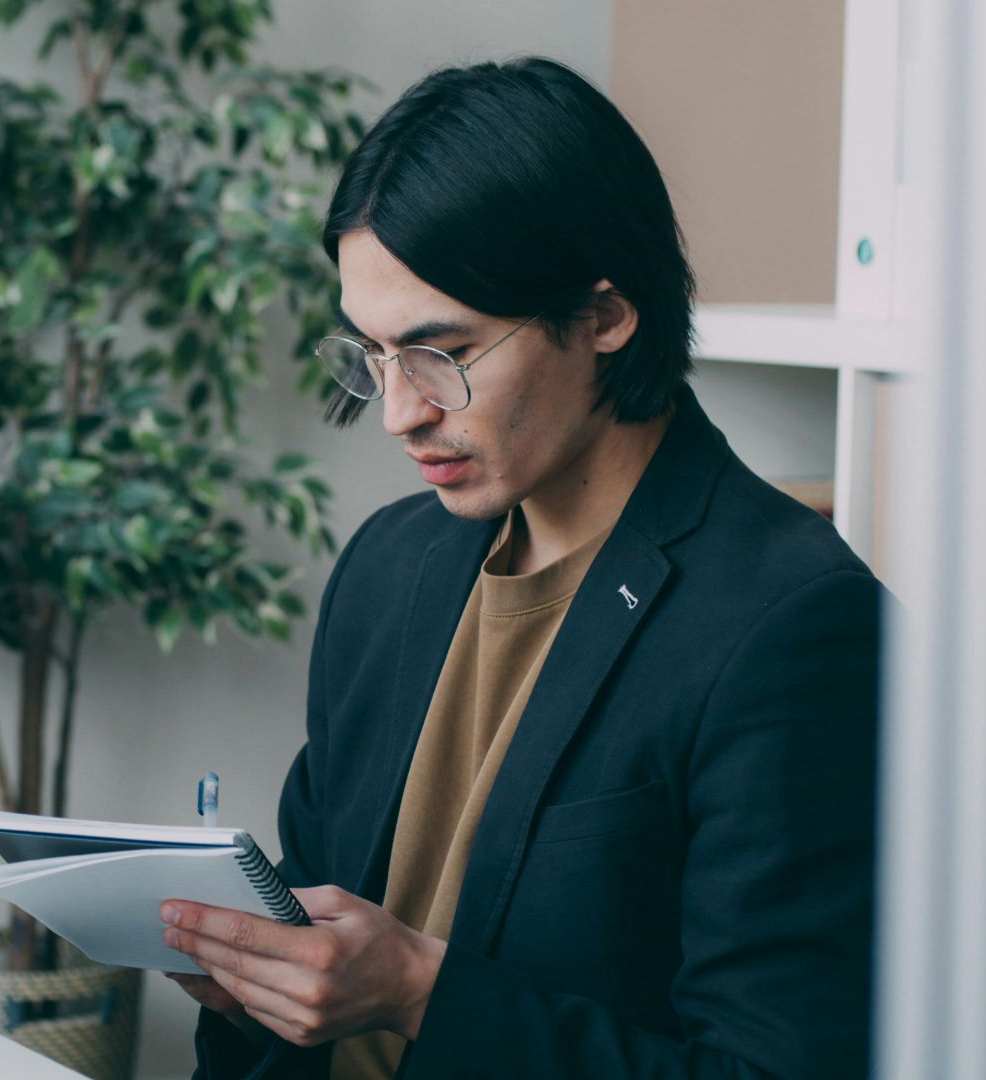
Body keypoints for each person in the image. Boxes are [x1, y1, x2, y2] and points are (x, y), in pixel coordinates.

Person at [162, 57, 884, 1079]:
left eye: (439, 353)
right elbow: (316, 935)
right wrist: (251, 981)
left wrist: (419, 993)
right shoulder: (386, 568)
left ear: (604, 315)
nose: (402, 411)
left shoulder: (795, 627)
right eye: (371, 356)